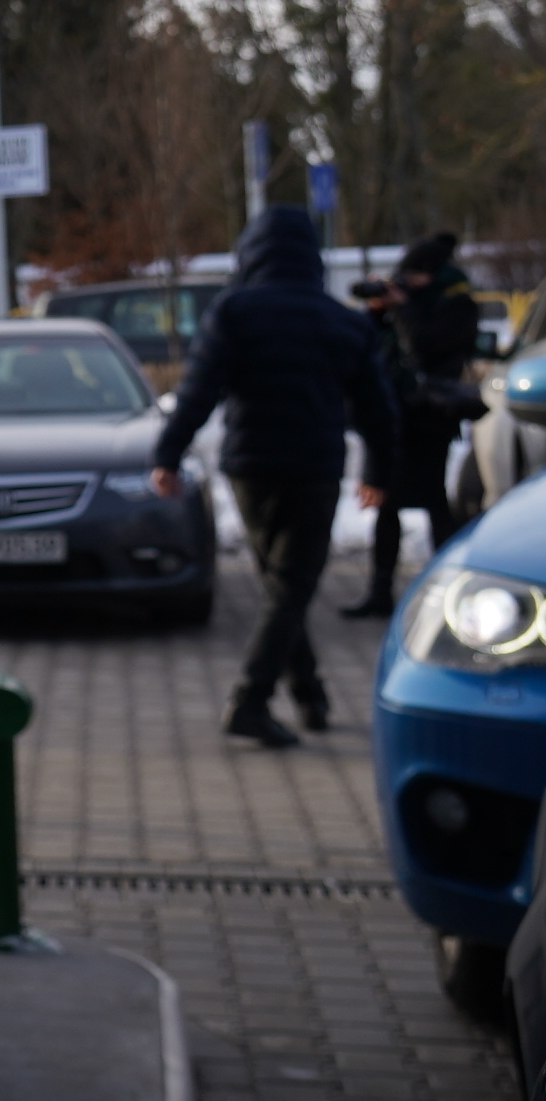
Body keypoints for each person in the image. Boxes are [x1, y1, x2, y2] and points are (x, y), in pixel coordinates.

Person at [146, 205, 399, 748]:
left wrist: (167, 455)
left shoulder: (234, 312)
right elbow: (378, 410)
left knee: (284, 588)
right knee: (292, 588)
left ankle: (310, 695)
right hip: (313, 469)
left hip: (252, 469)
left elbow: (197, 392)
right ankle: (251, 701)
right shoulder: (344, 322)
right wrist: (378, 469)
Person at [346, 232, 485, 616]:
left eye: (413, 275)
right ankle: (380, 592)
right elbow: (370, 345)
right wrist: (379, 312)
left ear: (432, 273)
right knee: (387, 504)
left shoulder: (456, 305)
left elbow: (424, 346)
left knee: (435, 502)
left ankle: (452, 588)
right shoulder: (406, 305)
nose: (406, 282)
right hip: (395, 417)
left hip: (431, 420)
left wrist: (403, 309)